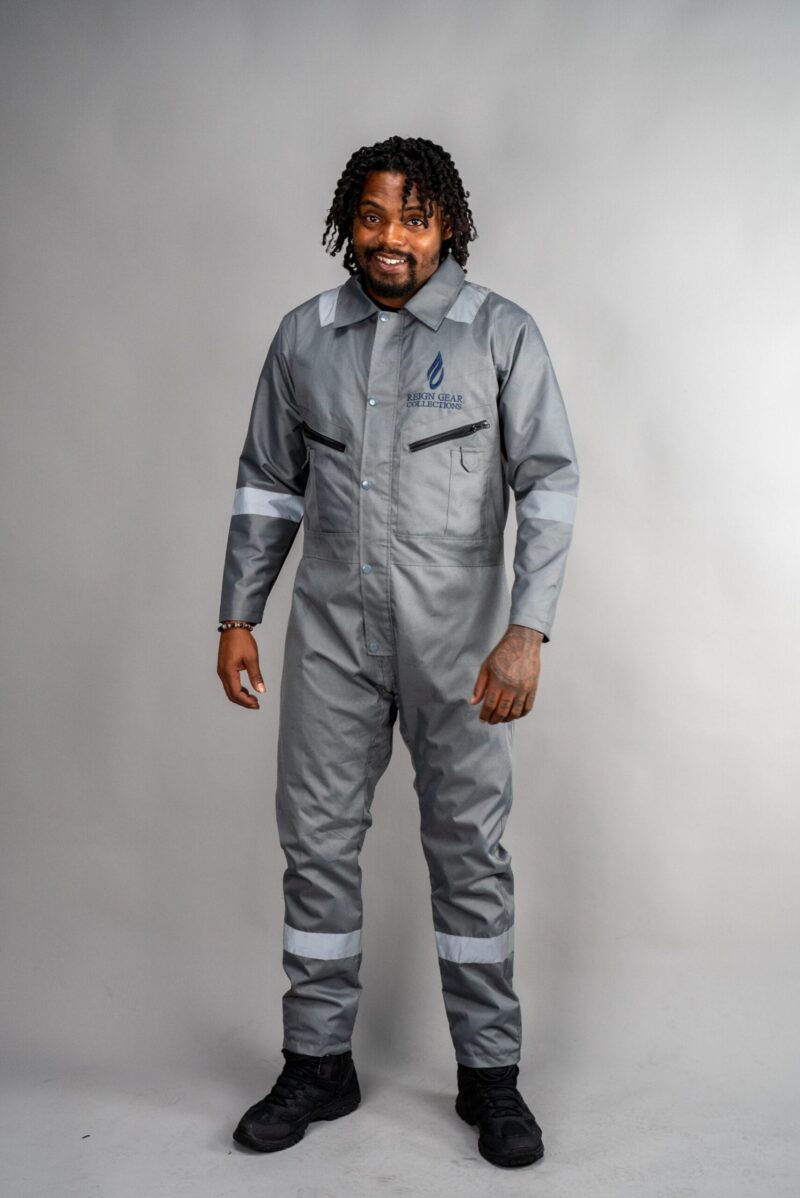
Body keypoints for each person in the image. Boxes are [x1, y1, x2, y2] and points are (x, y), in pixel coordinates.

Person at [216, 135, 579, 1169]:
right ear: (349, 223)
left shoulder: (499, 334)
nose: (390, 238)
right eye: (372, 216)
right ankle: (316, 1062)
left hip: (461, 645)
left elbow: (549, 484)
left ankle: (489, 1075)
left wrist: (525, 630)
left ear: (446, 226)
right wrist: (237, 613)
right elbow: (267, 482)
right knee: (316, 845)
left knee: (468, 851)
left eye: (413, 219)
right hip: (332, 635)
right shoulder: (304, 338)